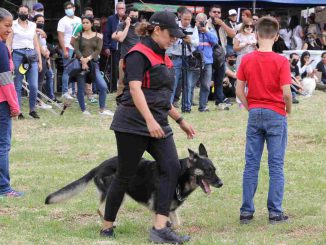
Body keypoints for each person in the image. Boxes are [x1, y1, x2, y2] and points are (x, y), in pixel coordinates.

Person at [100, 11, 195, 244]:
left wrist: (180, 120)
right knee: (125, 174)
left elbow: (161, 96)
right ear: (157, 30)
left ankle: (160, 228)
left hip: (159, 121)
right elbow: (135, 89)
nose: (174, 39)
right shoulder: (137, 54)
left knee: (172, 167)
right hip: (132, 123)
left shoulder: (164, 56)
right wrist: (150, 121)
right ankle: (107, 226)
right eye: (171, 34)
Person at [236, 16, 292, 225]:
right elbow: (286, 92)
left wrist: (251, 106)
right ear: (276, 36)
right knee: (276, 165)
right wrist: (289, 109)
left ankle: (246, 212)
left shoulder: (247, 59)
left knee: (251, 164)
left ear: (256, 35)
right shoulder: (282, 61)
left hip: (255, 112)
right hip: (276, 112)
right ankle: (275, 212)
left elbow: (239, 90)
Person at [0, 7, 23, 197]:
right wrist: (15, 106)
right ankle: (4, 188)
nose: (9, 30)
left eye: (11, 26)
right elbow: (6, 81)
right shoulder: (0, 48)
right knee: (2, 146)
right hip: (1, 103)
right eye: (6, 25)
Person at [7, 5, 42, 119]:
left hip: (31, 56)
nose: (23, 13)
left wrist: (40, 61)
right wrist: (9, 59)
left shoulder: (32, 25)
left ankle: (32, 109)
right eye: (21, 12)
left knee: (33, 85)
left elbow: (36, 44)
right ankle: (19, 111)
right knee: (18, 85)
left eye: (25, 12)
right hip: (18, 55)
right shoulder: (13, 24)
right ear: (18, 12)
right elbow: (9, 43)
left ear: (29, 13)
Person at [74, 15, 113, 116]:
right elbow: (76, 49)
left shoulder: (99, 35)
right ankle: (83, 109)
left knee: (103, 86)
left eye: (87, 22)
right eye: (83, 23)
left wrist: (88, 59)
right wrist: (82, 59)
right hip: (80, 64)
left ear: (91, 24)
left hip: (93, 64)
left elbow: (98, 50)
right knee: (81, 88)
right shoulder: (79, 35)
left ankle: (102, 109)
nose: (85, 24)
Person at [167, 8, 199, 113]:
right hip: (175, 57)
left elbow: (196, 43)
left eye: (189, 19)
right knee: (173, 83)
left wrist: (190, 40)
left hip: (188, 57)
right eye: (185, 19)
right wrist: (176, 38)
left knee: (188, 84)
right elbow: (169, 42)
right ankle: (169, 108)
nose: (187, 21)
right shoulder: (174, 26)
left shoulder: (193, 27)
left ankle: (186, 107)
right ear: (180, 17)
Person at [208, 4, 236, 109]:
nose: (216, 14)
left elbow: (233, 34)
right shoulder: (206, 23)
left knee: (219, 80)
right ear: (210, 13)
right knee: (207, 80)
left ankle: (219, 100)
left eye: (218, 12)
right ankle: (203, 101)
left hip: (221, 56)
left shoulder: (223, 24)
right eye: (214, 12)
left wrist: (222, 24)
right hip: (209, 56)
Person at [112, 7, 140, 96]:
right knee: (122, 82)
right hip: (125, 58)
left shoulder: (140, 26)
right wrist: (127, 25)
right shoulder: (122, 25)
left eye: (136, 16)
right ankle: (119, 102)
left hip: (138, 58)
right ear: (128, 15)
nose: (134, 17)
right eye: (132, 16)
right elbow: (121, 39)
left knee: (137, 82)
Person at [57, 1, 81, 101]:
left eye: (70, 7)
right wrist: (64, 50)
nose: (68, 9)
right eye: (67, 8)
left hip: (77, 48)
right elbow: (60, 36)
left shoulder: (79, 19)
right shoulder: (62, 21)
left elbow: (80, 34)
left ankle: (72, 90)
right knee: (67, 70)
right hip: (67, 47)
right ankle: (65, 92)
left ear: (74, 8)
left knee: (75, 70)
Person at [196, 13, 218, 112]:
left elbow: (215, 41)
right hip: (195, 61)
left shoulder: (210, 30)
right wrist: (195, 29)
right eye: (198, 21)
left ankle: (203, 106)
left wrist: (206, 31)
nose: (200, 23)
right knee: (190, 85)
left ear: (206, 21)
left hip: (207, 61)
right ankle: (187, 106)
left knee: (206, 85)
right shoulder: (193, 30)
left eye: (202, 21)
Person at [103, 1, 126, 92]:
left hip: (125, 48)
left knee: (125, 68)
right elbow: (107, 33)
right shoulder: (111, 19)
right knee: (114, 69)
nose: (121, 10)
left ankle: (124, 87)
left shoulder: (127, 19)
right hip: (114, 48)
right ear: (116, 9)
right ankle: (113, 89)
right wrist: (106, 47)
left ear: (125, 9)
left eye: (122, 8)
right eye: (119, 8)